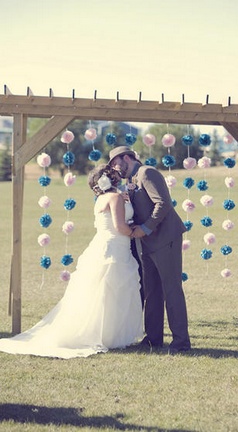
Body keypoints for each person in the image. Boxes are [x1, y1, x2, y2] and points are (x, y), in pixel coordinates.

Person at [0, 165, 143, 359]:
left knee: (103, 291)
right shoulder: (116, 197)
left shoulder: (101, 198)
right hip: (115, 246)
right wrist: (137, 231)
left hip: (105, 245)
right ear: (112, 179)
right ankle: (107, 335)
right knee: (111, 289)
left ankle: (104, 334)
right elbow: (120, 227)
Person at [108, 146, 191, 354]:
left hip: (165, 239)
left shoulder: (147, 173)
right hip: (146, 243)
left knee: (172, 290)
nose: (116, 169)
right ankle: (153, 339)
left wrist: (145, 229)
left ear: (127, 157)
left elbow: (163, 204)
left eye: (116, 163)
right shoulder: (131, 180)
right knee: (152, 292)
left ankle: (181, 342)